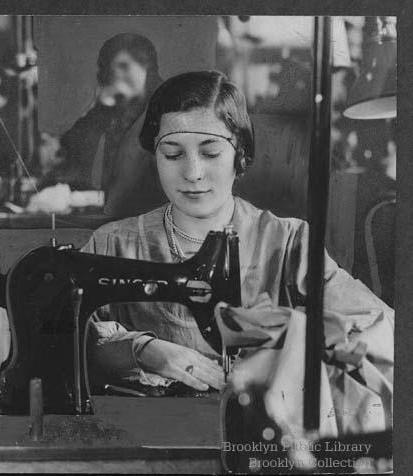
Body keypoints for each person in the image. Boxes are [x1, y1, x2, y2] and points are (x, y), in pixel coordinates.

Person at [82, 71, 393, 402]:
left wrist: (296, 342)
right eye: (172, 154)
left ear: (239, 154)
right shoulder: (111, 244)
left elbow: (379, 329)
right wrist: (143, 350)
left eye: (211, 152)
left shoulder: (290, 243)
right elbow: (67, 338)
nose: (192, 173)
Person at [54, 33, 167, 217]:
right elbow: (71, 147)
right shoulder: (117, 106)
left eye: (124, 66)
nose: (117, 75)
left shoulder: (163, 106)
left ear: (147, 66)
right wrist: (99, 107)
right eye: (112, 68)